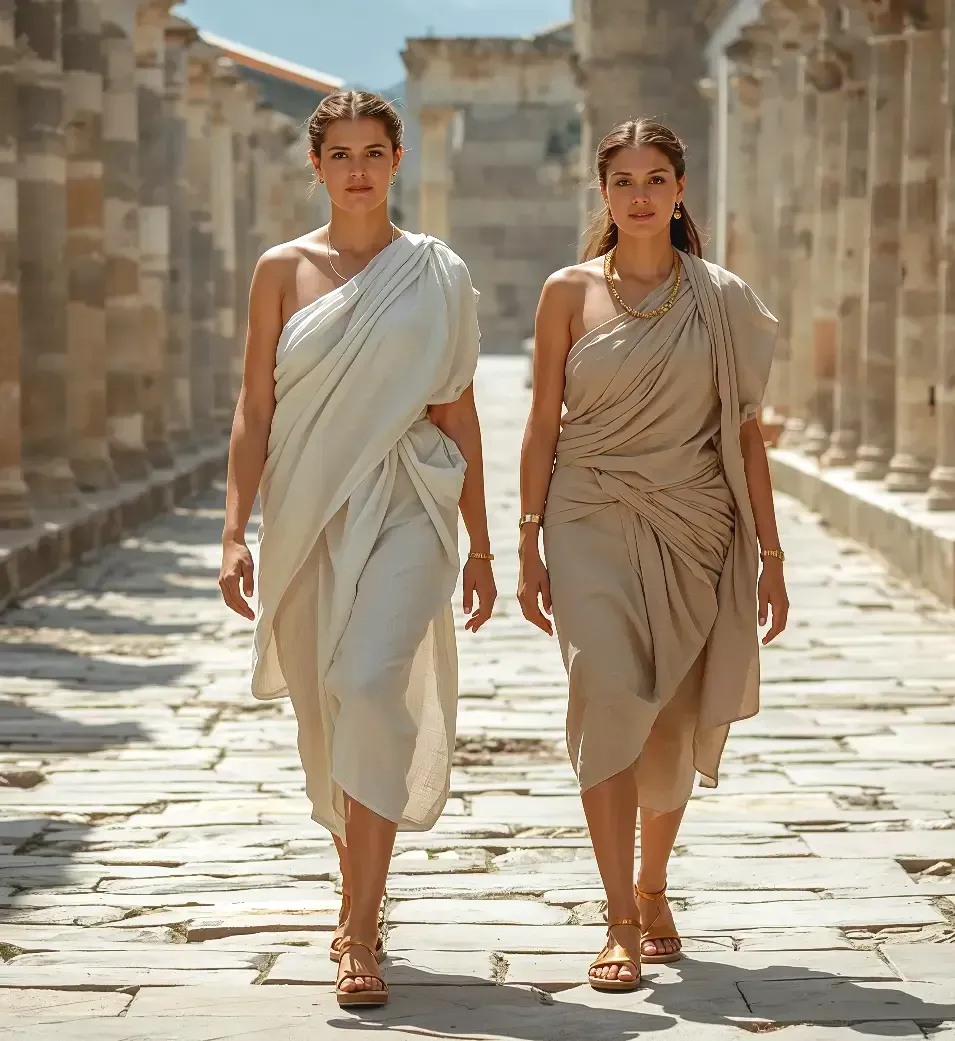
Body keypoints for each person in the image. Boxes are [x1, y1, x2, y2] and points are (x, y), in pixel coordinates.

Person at [218, 90, 495, 1009]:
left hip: (411, 496)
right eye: (340, 155)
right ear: (316, 166)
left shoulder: (437, 272)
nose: (359, 170)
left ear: (399, 158)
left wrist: (488, 542)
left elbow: (457, 407)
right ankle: (358, 898)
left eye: (374, 152)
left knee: (370, 681)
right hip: (306, 510)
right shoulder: (279, 270)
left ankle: (361, 923)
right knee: (326, 713)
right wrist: (232, 529)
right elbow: (254, 408)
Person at [517, 119, 789, 992]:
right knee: (605, 689)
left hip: (697, 521)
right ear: (604, 194)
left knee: (670, 718)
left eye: (656, 178)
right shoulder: (565, 292)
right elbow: (540, 422)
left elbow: (746, 433)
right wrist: (526, 535)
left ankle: (655, 884)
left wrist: (772, 554)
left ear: (679, 190)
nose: (640, 195)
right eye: (623, 180)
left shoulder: (723, 298)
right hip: (588, 509)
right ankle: (618, 919)